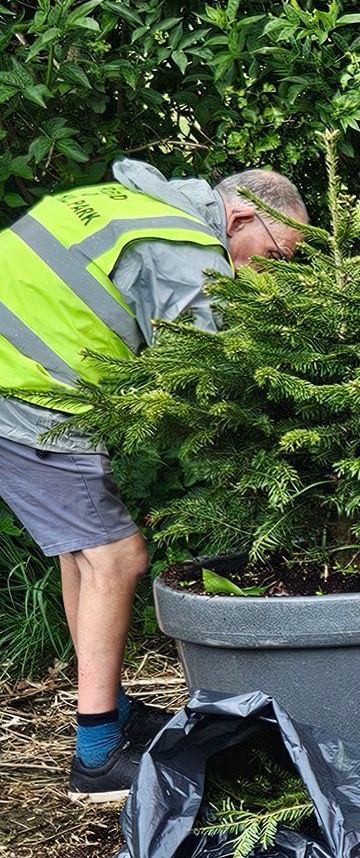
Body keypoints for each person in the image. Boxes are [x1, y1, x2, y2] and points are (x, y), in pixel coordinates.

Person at [0, 158, 307, 797]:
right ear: (242, 218)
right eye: (276, 257)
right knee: (119, 557)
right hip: (26, 396)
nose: (272, 277)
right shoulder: (187, 249)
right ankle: (96, 757)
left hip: (24, 382)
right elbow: (206, 373)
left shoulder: (129, 203)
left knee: (84, 555)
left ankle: (104, 708)